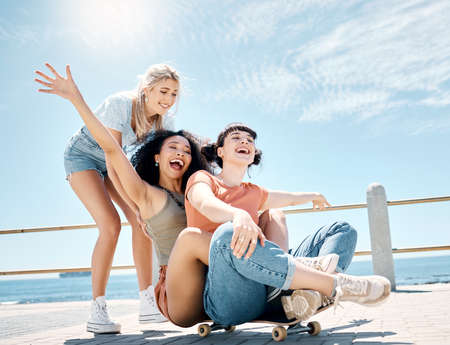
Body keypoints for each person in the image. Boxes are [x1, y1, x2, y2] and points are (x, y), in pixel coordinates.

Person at [164, 123, 391, 327]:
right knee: (227, 233)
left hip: (266, 277)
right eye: (236, 138)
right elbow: (205, 203)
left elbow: (289, 197)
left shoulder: (253, 192)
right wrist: (237, 215)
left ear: (253, 155)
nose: (245, 141)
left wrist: (313, 195)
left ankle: (301, 294)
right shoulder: (203, 179)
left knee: (341, 229)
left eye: (250, 140)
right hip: (228, 294)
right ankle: (334, 285)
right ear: (220, 151)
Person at [35, 63, 181, 333]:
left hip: (114, 162)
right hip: (84, 157)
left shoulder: (164, 122)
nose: (168, 100)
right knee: (111, 226)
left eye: (174, 94)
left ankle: (148, 302)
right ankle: (97, 309)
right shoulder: (120, 104)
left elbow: (155, 163)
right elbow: (112, 159)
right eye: (163, 91)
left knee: (142, 223)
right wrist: (135, 205)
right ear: (146, 89)